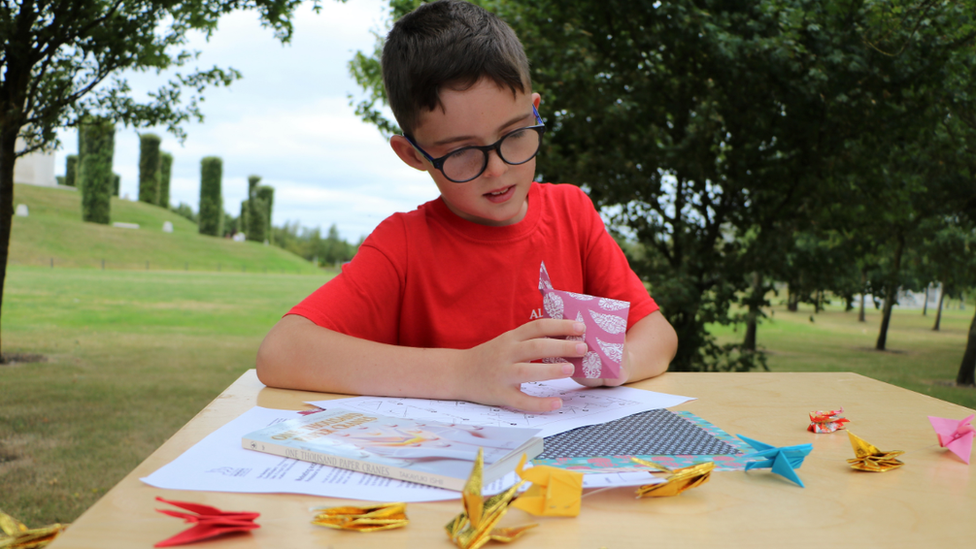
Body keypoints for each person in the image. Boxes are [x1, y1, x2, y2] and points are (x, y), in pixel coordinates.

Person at [256, 0, 677, 413]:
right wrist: (464, 371)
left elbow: (656, 333)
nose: (496, 170)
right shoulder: (403, 245)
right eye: (461, 152)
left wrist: (621, 363)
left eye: (514, 135)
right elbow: (282, 352)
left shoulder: (572, 213)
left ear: (534, 111)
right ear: (413, 155)